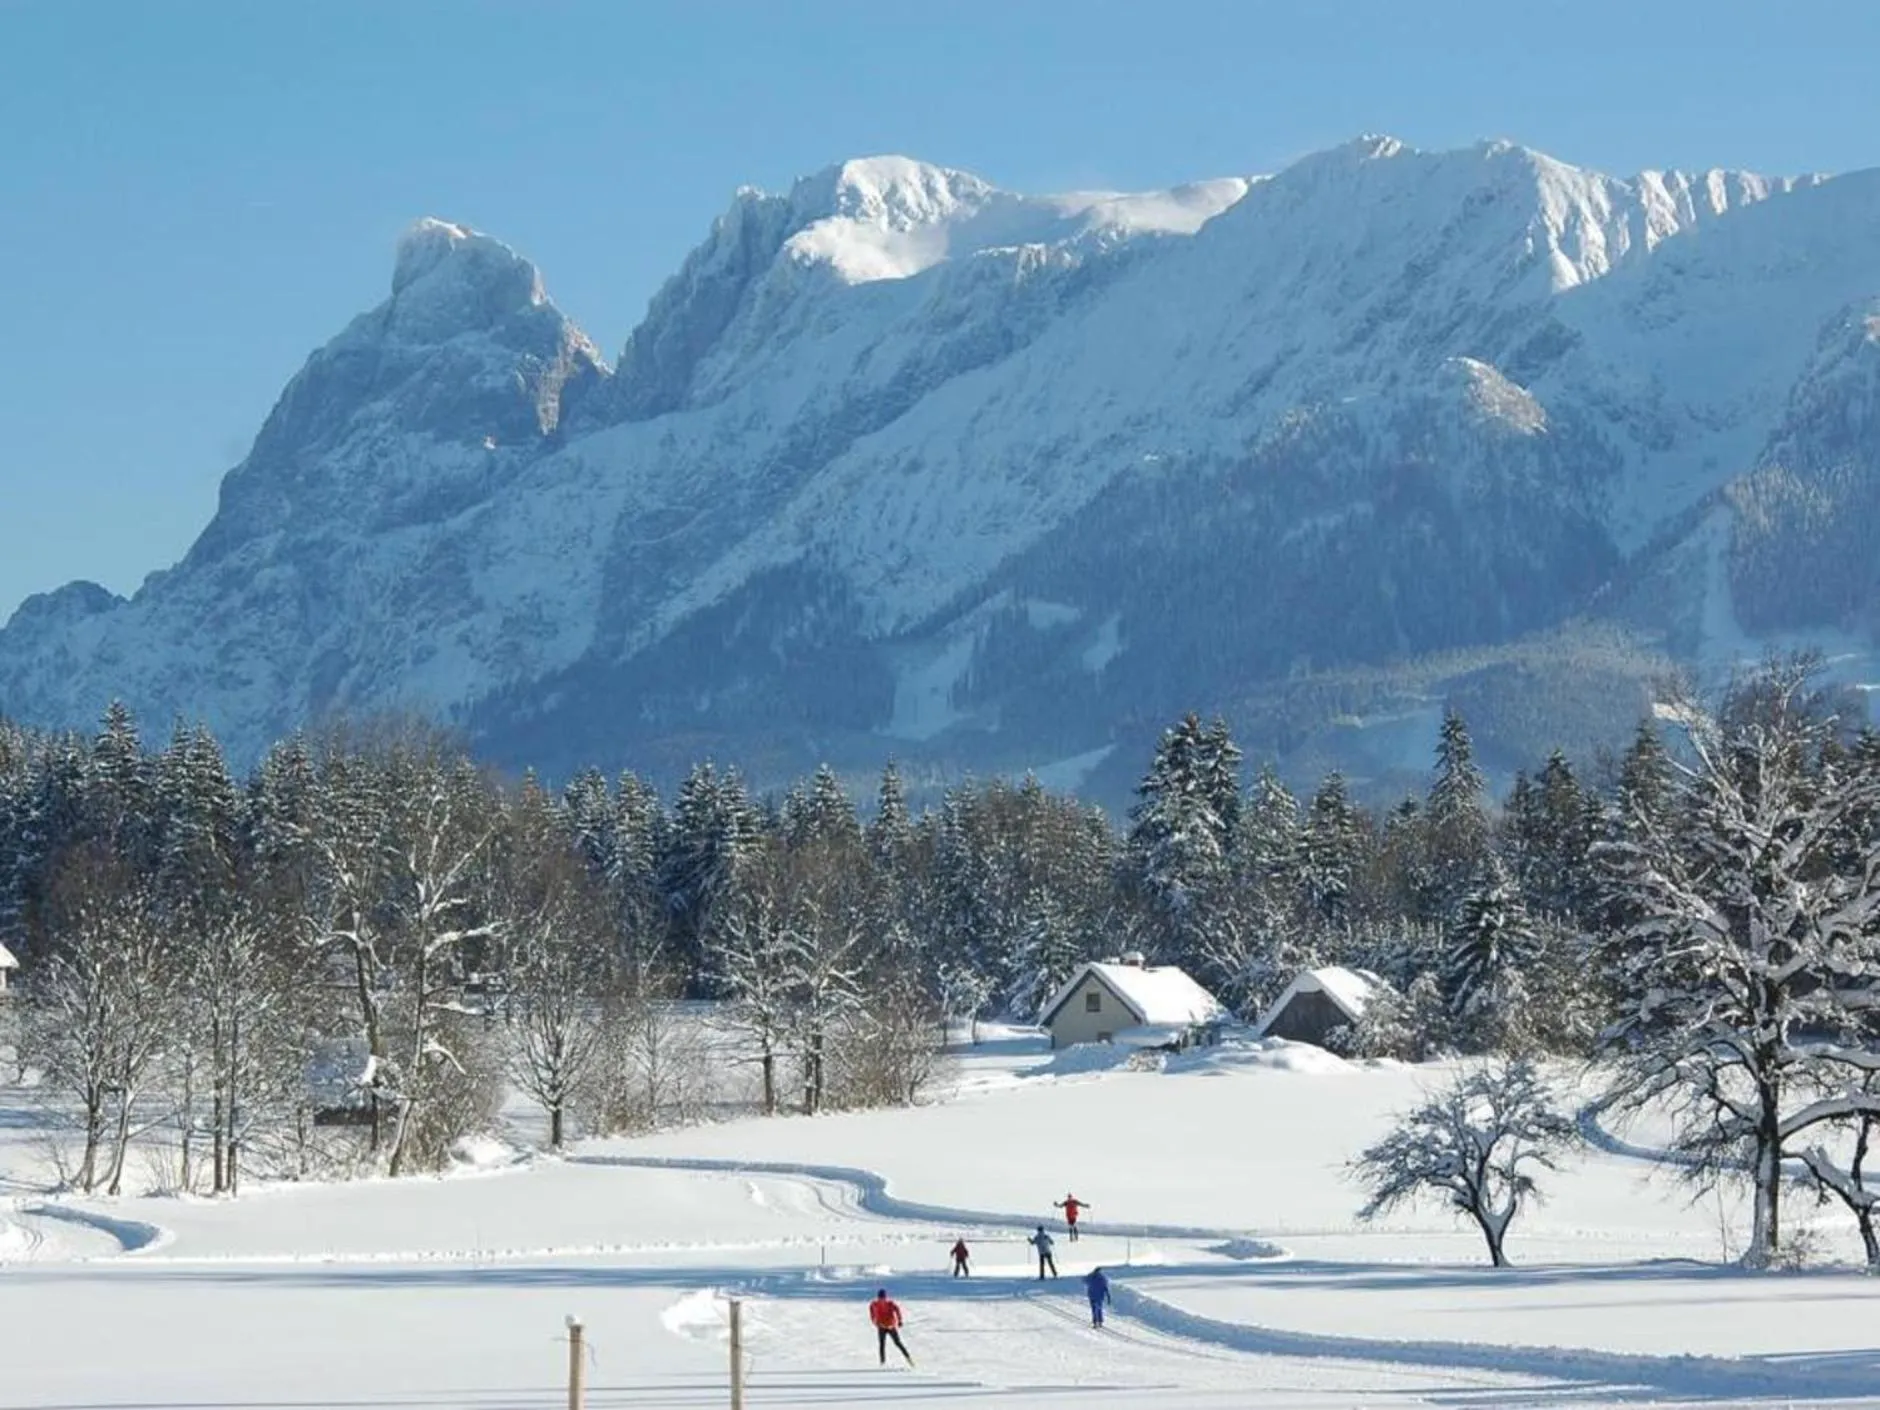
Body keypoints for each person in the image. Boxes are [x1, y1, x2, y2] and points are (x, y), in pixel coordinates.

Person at [869, 1288, 914, 1366]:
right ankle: (882, 1363)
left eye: (883, 1298)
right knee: (882, 1345)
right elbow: (872, 1313)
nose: (882, 1300)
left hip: (891, 1326)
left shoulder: (890, 1304)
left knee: (898, 1343)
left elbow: (897, 1310)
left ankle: (909, 1359)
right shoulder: (874, 1304)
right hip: (881, 1327)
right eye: (880, 1298)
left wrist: (900, 1321)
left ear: (886, 1297)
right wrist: (874, 1322)